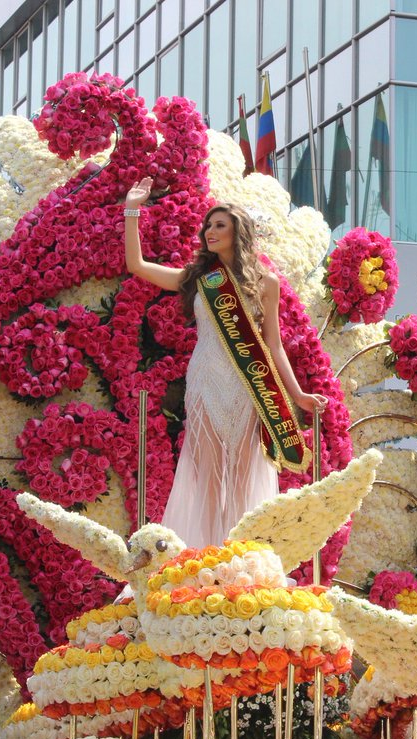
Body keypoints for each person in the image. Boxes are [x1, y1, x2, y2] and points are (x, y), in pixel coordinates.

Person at [123, 178, 327, 549]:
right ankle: (207, 556)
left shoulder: (266, 284)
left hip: (248, 386)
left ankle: (240, 557)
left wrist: (297, 395)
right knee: (209, 476)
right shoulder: (201, 278)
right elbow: (136, 264)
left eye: (219, 225)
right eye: (208, 225)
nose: (209, 231)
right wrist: (132, 209)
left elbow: (273, 345)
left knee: (245, 475)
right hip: (205, 382)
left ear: (238, 232)